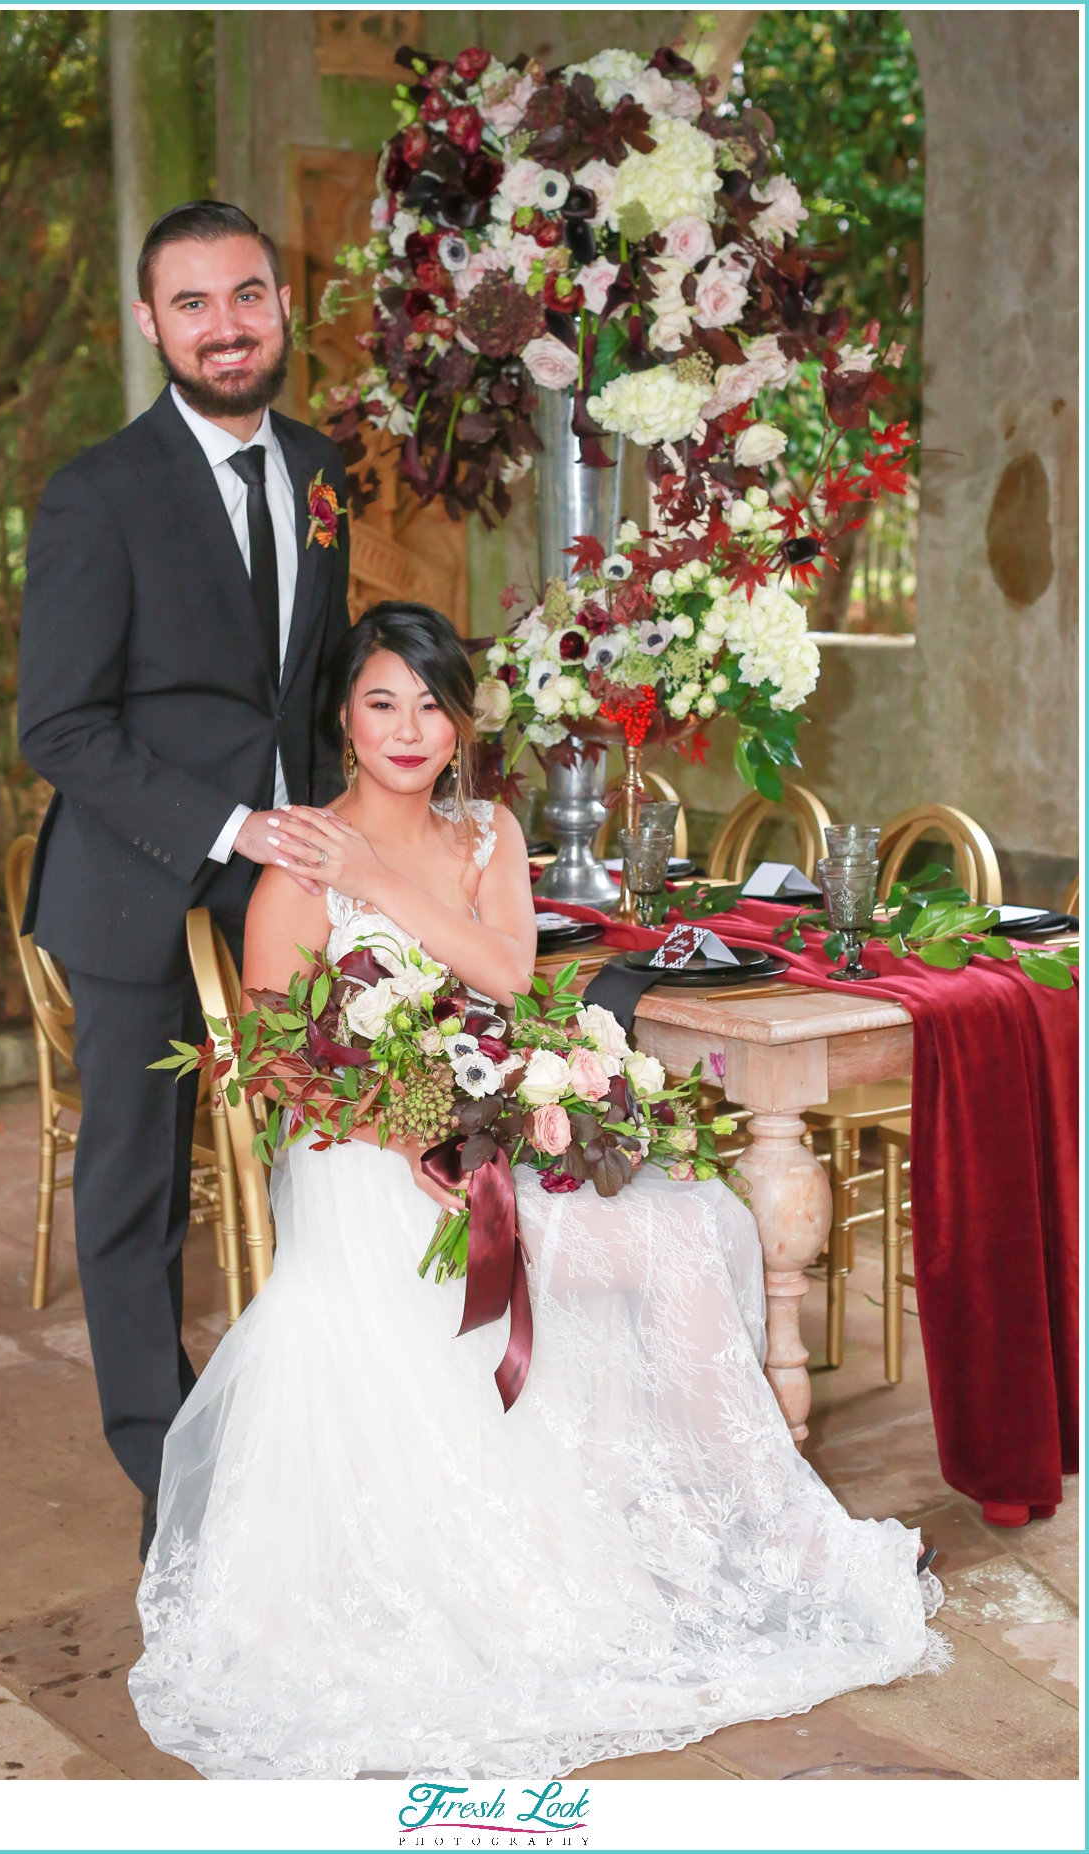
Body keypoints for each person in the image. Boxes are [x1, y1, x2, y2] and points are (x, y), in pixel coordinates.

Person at [128, 602, 946, 1781]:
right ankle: (709, 1532)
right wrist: (403, 1125)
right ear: (344, 721)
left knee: (692, 1220)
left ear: (461, 725)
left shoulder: (486, 833)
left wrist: (406, 918)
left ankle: (740, 1533)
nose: (409, 729)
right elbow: (282, 1072)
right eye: (381, 702)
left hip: (487, 1123)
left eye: (431, 704)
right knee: (667, 1238)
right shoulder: (299, 857)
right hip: (366, 1161)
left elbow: (507, 974)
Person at [16, 201, 350, 1560]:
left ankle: (321, 1421)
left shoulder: (324, 468)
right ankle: (168, 1470)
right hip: (136, 881)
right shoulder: (98, 493)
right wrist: (229, 824)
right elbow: (60, 726)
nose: (227, 325)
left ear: (283, 306)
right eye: (195, 303)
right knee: (138, 1186)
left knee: (339, 1140)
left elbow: (309, 686)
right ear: (149, 323)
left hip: (287, 881)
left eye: (248, 296)